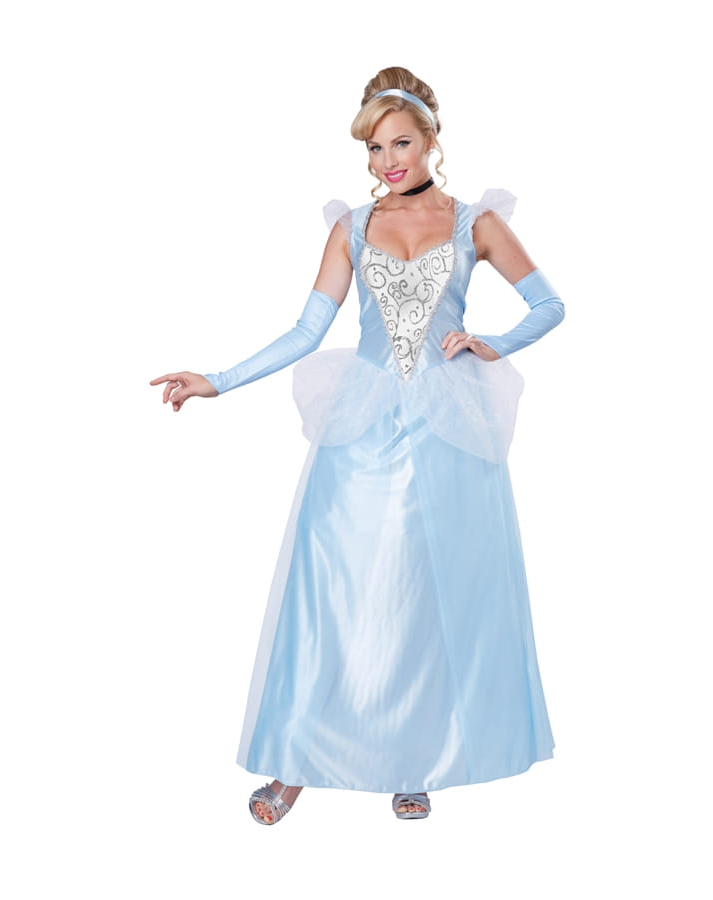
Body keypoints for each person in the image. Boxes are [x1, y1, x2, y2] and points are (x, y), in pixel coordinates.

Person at [150, 66, 564, 824]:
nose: (386, 161)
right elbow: (308, 329)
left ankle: (417, 761)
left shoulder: (475, 224)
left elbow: (549, 303)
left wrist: (493, 343)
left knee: (430, 593)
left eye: (400, 143)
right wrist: (218, 379)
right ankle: (296, 764)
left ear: (431, 140)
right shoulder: (353, 227)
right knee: (332, 588)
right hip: (364, 425)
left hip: (447, 429)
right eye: (374, 148)